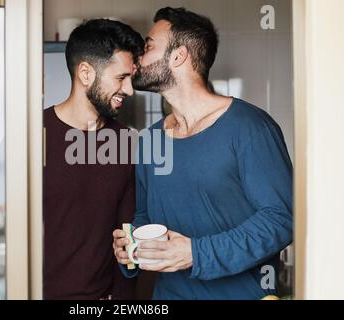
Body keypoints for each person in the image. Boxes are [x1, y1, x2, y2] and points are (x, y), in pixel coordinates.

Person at [113, 7, 293, 300]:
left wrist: (196, 254)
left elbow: (281, 218)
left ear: (178, 56)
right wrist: (133, 246)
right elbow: (145, 216)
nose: (138, 58)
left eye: (147, 47)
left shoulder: (250, 127)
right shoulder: (150, 141)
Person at [44, 19, 144, 300]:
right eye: (121, 77)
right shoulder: (28, 138)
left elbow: (128, 242)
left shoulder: (128, 143)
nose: (130, 90)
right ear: (86, 73)